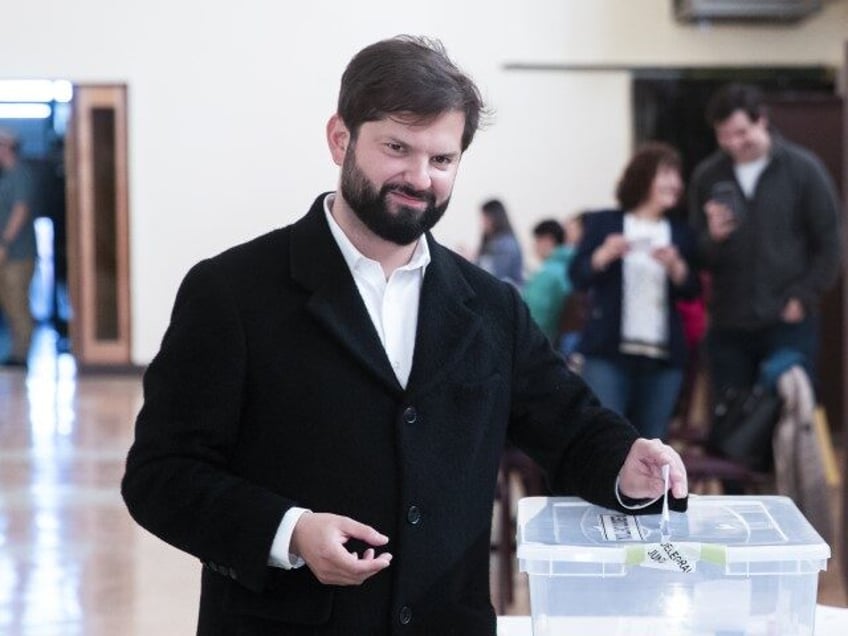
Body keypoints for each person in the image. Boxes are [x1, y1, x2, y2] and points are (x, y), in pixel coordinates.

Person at [121, 36, 688, 636]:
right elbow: (161, 475)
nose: (419, 177)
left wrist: (627, 464)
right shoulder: (231, 292)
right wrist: (289, 532)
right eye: (397, 148)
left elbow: (570, 430)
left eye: (442, 160)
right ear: (341, 138)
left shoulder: (492, 308)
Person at [688, 83, 841, 405]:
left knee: (789, 417)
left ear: (762, 121)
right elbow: (697, 254)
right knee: (731, 424)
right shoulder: (708, 175)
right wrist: (713, 238)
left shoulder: (803, 169)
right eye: (724, 135)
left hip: (788, 319)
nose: (734, 143)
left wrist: (804, 296)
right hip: (729, 322)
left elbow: (830, 242)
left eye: (741, 132)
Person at [569, 143, 701, 440]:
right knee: (606, 438)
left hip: (663, 357)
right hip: (608, 352)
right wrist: (604, 254)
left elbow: (692, 289)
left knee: (653, 444)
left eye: (677, 176)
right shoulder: (606, 221)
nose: (675, 183)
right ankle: (603, 490)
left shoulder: (681, 232)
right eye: (666, 173)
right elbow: (577, 276)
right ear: (643, 177)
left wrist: (676, 266)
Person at [0, 128, 37, 369]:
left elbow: (20, 211)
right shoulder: (6, 176)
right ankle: (16, 351)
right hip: (7, 254)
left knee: (17, 303)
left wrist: (5, 243)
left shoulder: (20, 174)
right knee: (8, 303)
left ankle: (22, 355)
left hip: (18, 255)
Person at [522, 219, 574, 344]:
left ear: (547, 240)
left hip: (545, 343)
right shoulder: (572, 266)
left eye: (536, 241)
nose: (534, 246)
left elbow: (536, 316)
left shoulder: (547, 274)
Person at [476, 198, 523, 286]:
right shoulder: (494, 242)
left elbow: (494, 275)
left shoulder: (506, 245)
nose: (482, 223)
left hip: (506, 293)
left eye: (484, 218)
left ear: (495, 218)